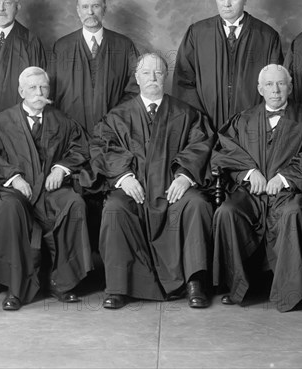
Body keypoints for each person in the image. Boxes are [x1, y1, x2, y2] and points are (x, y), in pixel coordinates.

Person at [87, 53, 215, 310]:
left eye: (158, 72)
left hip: (172, 189)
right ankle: (119, 287)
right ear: (137, 77)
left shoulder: (186, 113)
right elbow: (103, 147)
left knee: (196, 205)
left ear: (166, 76)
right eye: (146, 73)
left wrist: (185, 176)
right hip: (135, 189)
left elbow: (201, 144)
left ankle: (194, 283)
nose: (153, 78)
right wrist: (124, 177)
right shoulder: (117, 116)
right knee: (114, 208)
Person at [0, 67, 93, 310]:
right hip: (15, 190)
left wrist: (61, 168)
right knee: (8, 209)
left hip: (50, 191)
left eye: (43, 87)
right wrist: (14, 177)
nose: (38, 92)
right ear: (21, 91)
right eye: (32, 88)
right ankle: (16, 287)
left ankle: (62, 282)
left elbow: (81, 149)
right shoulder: (0, 123)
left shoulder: (63, 121)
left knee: (74, 203)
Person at [212, 64, 302, 312]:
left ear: (290, 87)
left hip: (288, 193)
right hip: (251, 193)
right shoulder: (243, 119)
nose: (275, 90)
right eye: (269, 85)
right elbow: (225, 151)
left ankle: (292, 291)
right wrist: (250, 173)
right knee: (227, 212)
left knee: (294, 214)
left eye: (281, 84)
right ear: (260, 89)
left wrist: (284, 178)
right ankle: (238, 286)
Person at [172, 0, 283, 130]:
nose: (226, 4)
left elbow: (276, 87)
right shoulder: (197, 33)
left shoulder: (267, 36)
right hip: (206, 128)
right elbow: (183, 81)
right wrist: (199, 122)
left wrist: (260, 122)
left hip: (252, 129)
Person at [49, 0, 139, 135]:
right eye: (85, 7)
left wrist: (116, 117)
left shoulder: (124, 45)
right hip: (70, 131)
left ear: (104, 9)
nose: (90, 12)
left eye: (95, 6)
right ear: (78, 11)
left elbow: (135, 88)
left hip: (113, 130)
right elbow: (50, 90)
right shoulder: (61, 47)